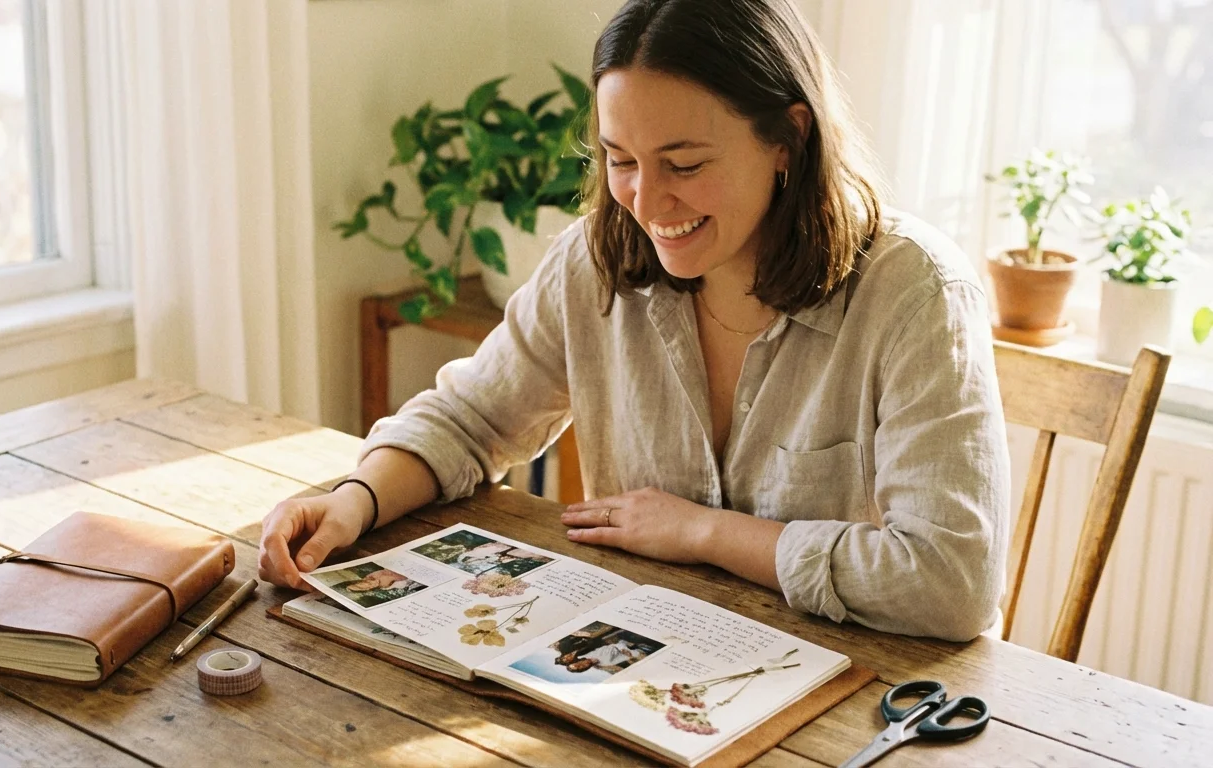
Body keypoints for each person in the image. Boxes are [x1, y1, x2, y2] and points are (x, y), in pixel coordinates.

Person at [260, 0, 1009, 642]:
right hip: (638, 664)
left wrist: (707, 533)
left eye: (684, 165)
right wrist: (352, 502)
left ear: (787, 140)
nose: (646, 203)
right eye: (621, 160)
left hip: (859, 691)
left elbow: (952, 580)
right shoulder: (594, 260)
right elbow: (470, 420)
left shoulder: (915, 292)